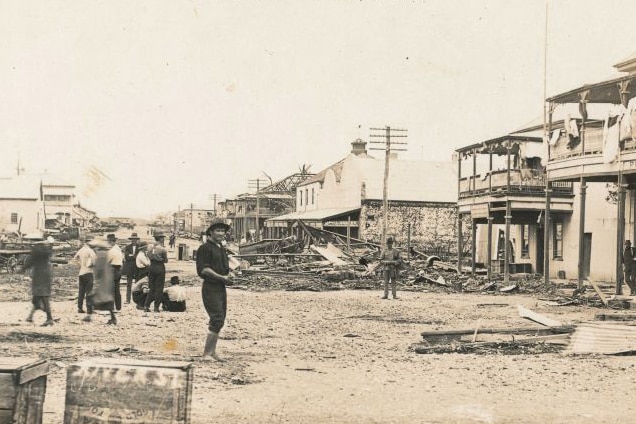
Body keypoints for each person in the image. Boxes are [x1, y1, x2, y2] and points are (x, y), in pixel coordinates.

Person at [197, 218, 233, 361]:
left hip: (220, 286)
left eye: (223, 231)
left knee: (220, 319)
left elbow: (224, 267)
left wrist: (230, 274)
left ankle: (212, 352)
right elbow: (205, 270)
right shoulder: (205, 248)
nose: (221, 233)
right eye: (217, 230)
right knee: (216, 318)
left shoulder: (220, 248)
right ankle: (206, 354)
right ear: (210, 232)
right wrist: (222, 278)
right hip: (210, 287)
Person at [85, 239, 116, 325]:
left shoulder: (100, 255)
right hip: (106, 279)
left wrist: (97, 278)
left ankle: (89, 315)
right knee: (106, 299)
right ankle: (113, 317)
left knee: (91, 296)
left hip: (102, 280)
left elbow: (99, 269)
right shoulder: (105, 254)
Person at [24, 242, 55, 326]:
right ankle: (30, 316)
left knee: (43, 298)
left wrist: (22, 268)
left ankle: (49, 318)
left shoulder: (35, 250)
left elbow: (29, 262)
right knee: (38, 297)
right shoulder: (46, 250)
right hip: (46, 275)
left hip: (38, 276)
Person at [144, 231, 168, 312]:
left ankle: (146, 305)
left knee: (152, 288)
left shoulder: (149, 247)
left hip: (152, 266)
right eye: (163, 238)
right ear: (161, 238)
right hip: (160, 267)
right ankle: (156, 307)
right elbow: (165, 260)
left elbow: (148, 255)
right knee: (159, 288)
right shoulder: (162, 249)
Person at [73, 235, 96, 314]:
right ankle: (89, 309)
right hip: (89, 273)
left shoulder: (81, 250)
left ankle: (80, 307)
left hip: (81, 272)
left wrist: (80, 265)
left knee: (81, 291)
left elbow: (75, 259)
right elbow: (95, 261)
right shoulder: (90, 251)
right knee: (89, 291)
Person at [106, 233, 124, 311]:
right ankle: (118, 306)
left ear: (111, 242)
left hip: (111, 269)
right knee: (117, 289)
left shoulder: (111, 251)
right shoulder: (119, 250)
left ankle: (111, 306)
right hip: (118, 269)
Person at [123, 232, 140, 304]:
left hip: (137, 268)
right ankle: (128, 299)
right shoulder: (127, 247)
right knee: (128, 284)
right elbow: (126, 257)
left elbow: (139, 257)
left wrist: (132, 256)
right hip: (129, 268)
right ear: (131, 240)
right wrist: (134, 256)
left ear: (137, 240)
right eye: (132, 239)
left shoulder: (139, 247)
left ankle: (137, 300)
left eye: (135, 239)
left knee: (137, 284)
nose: (134, 240)